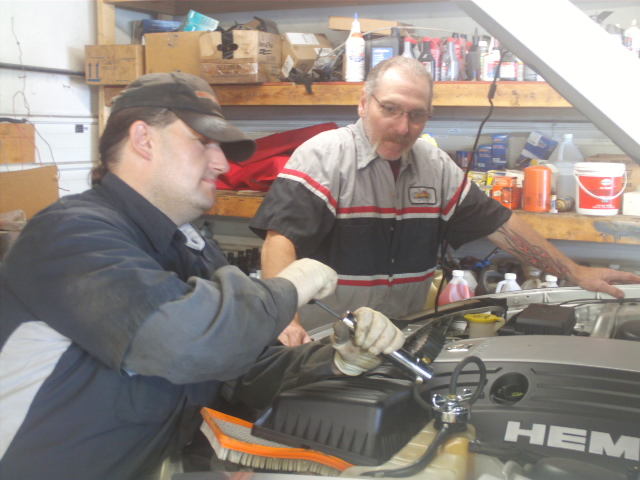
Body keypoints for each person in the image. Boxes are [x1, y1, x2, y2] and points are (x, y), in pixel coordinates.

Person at [0, 72, 406, 480]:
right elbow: (183, 343)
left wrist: (338, 361)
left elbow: (242, 367)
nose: (222, 163)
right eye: (203, 142)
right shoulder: (69, 236)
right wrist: (287, 288)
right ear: (143, 139)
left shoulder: (187, 244)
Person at [250, 56, 640, 345]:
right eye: (390, 109)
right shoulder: (323, 156)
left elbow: (500, 225)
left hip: (400, 337)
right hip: (324, 338)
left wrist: (576, 273)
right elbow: (280, 241)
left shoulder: (434, 165)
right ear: (363, 102)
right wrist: (286, 320)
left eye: (417, 116)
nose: (403, 127)